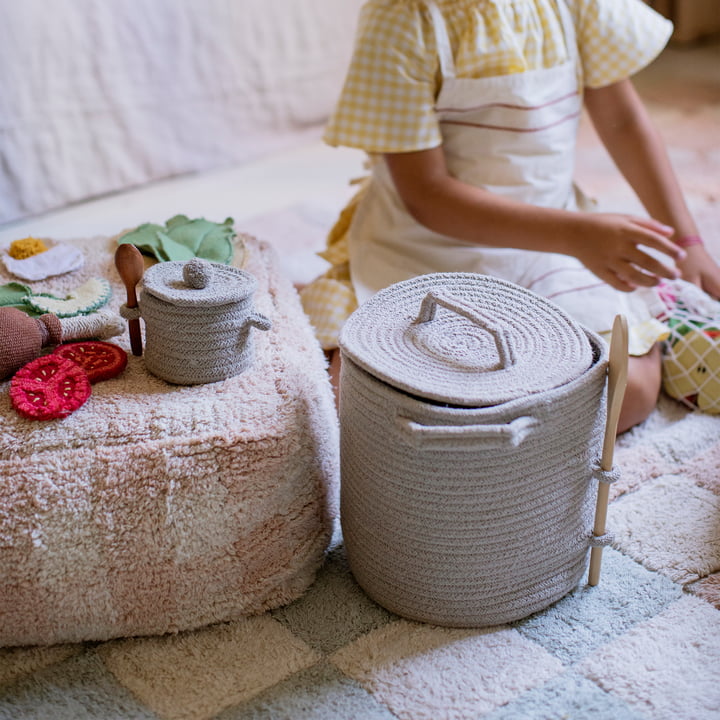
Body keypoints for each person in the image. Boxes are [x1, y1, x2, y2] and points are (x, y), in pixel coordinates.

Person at [300, 0, 720, 433]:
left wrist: (689, 244)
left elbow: (624, 122)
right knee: (363, 402)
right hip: (425, 249)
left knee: (628, 393)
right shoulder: (402, 18)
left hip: (553, 236)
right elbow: (427, 194)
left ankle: (497, 431)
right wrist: (577, 236)